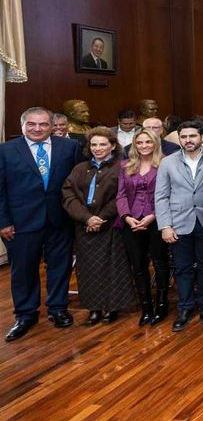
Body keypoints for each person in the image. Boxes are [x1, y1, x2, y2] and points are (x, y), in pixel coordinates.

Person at [1, 107, 83, 341]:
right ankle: (25, 314)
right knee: (23, 270)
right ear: (23, 125)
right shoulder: (5, 150)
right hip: (20, 223)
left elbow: (78, 183)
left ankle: (58, 308)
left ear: (52, 126)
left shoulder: (70, 148)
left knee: (60, 266)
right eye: (31, 124)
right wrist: (3, 221)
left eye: (43, 124)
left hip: (60, 220)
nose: (37, 128)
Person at [62, 127, 133, 325]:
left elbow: (122, 196)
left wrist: (100, 218)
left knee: (112, 268)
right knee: (88, 270)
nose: (97, 148)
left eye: (103, 144)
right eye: (94, 144)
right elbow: (68, 195)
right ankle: (93, 309)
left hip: (111, 225)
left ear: (113, 145)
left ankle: (112, 308)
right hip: (84, 227)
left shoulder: (123, 167)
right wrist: (87, 218)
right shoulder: (79, 168)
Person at [155, 120, 203, 332]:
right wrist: (165, 225)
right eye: (183, 137)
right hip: (178, 222)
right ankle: (185, 307)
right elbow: (161, 196)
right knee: (182, 268)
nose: (188, 140)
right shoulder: (168, 162)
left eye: (192, 136)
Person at [117, 128, 168, 326]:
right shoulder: (125, 165)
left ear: (155, 143)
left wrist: (153, 216)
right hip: (132, 222)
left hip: (157, 220)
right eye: (140, 143)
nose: (144, 146)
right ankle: (146, 308)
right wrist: (127, 217)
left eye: (148, 142)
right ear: (134, 145)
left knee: (160, 263)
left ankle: (161, 305)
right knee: (138, 266)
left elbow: (169, 194)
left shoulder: (165, 163)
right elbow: (121, 195)